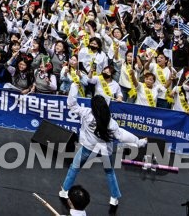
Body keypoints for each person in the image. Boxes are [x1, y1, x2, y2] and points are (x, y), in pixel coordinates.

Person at [59, 83, 146, 213]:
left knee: (74, 167)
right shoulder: (111, 123)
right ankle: (114, 198)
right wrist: (138, 142)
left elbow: (71, 104)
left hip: (88, 148)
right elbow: (123, 136)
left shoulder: (87, 114)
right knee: (110, 172)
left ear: (93, 107)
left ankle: (65, 191)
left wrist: (74, 87)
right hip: (105, 151)